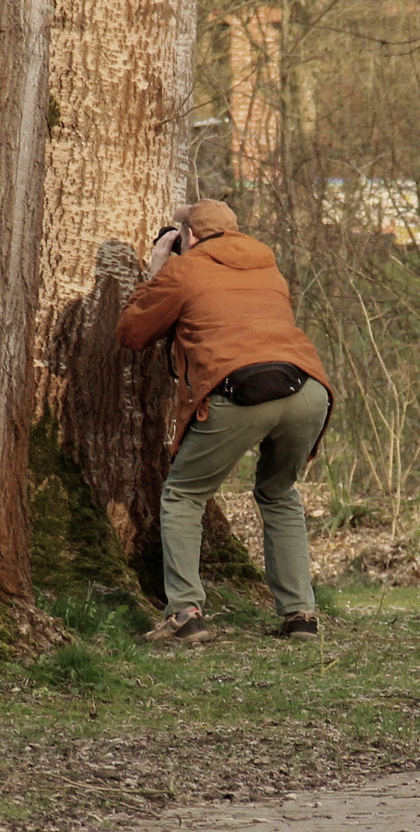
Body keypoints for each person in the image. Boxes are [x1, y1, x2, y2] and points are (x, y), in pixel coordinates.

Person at [115, 199, 333, 644]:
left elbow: (131, 332)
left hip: (241, 390)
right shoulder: (268, 268)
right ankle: (301, 615)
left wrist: (157, 268)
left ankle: (186, 614)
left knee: (183, 495)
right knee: (278, 493)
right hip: (309, 389)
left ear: (189, 236)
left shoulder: (185, 269)